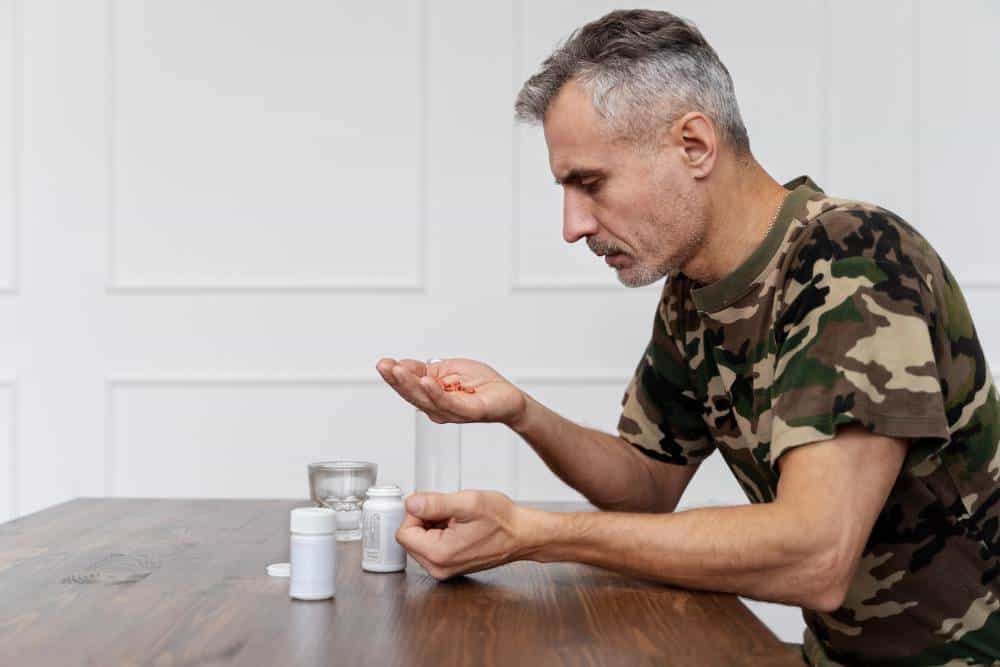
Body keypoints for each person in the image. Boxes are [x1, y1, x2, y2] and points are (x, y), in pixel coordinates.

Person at [375, 9, 1000, 666]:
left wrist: (532, 533)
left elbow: (817, 554)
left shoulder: (855, 262)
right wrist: (522, 412)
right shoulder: (692, 292)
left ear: (695, 145)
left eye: (590, 182)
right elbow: (646, 480)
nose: (571, 225)